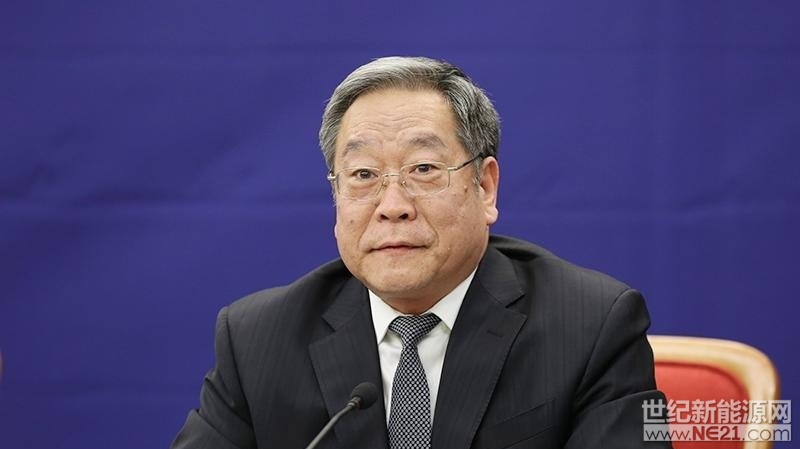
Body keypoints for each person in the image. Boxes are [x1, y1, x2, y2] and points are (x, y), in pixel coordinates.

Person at [171, 56, 671, 449]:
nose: (393, 206)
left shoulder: (593, 326)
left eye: (424, 169)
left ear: (485, 187)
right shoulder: (257, 338)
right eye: (363, 175)